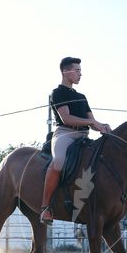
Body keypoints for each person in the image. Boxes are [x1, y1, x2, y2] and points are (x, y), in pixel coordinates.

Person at [40, 56, 111, 223]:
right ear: (65, 71)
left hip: (83, 136)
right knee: (59, 162)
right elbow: (67, 119)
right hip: (65, 134)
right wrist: (92, 122)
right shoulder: (57, 93)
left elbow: (91, 121)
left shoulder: (82, 96)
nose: (81, 74)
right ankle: (45, 208)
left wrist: (102, 126)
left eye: (81, 71)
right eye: (77, 70)